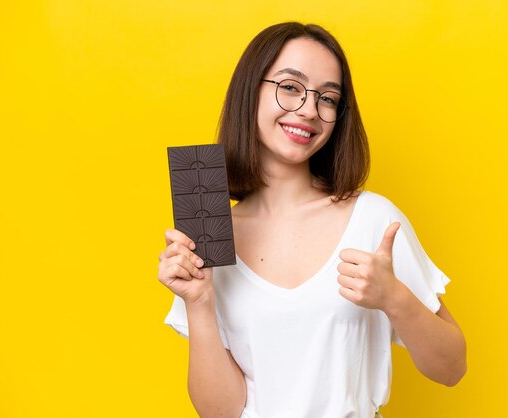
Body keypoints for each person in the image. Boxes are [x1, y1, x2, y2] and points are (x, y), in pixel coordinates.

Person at [159, 22, 466, 418]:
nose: (308, 110)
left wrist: (394, 298)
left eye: (328, 98)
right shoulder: (211, 236)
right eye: (290, 87)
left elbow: (452, 368)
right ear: (250, 91)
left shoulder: (373, 219)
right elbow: (220, 412)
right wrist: (199, 303)